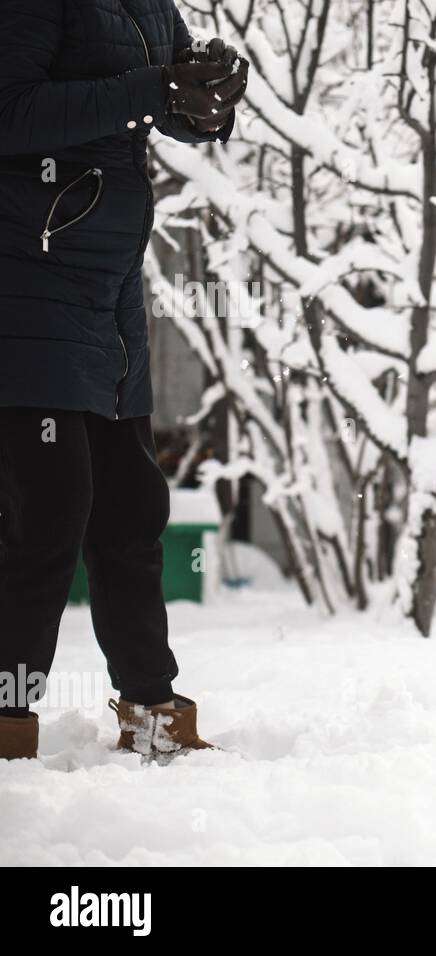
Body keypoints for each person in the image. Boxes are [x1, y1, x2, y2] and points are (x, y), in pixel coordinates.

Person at [0, 0, 249, 760]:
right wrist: (153, 87)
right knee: (50, 510)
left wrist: (204, 102)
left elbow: (162, 99)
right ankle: (6, 721)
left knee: (131, 509)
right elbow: (13, 111)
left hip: (110, 296)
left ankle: (151, 710)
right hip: (25, 282)